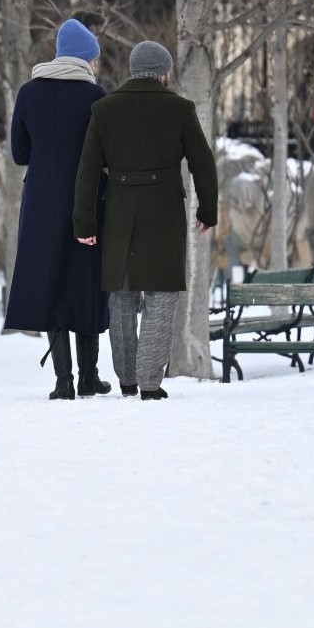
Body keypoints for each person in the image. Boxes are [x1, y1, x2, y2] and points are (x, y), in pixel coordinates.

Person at [72, 41, 218, 400]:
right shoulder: (180, 109)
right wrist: (207, 211)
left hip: (119, 211)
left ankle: (127, 379)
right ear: (164, 72)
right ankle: (150, 382)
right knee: (161, 296)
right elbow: (203, 162)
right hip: (164, 211)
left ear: (132, 69)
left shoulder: (104, 109)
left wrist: (84, 223)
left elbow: (87, 171)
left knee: (120, 297)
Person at [3, 19, 111, 400]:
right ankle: (89, 376)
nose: (96, 65)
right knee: (84, 281)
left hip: (41, 202)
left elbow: (20, 152)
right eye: (94, 58)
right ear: (85, 58)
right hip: (87, 200)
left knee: (51, 282)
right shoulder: (95, 97)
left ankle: (63, 381)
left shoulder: (29, 93)